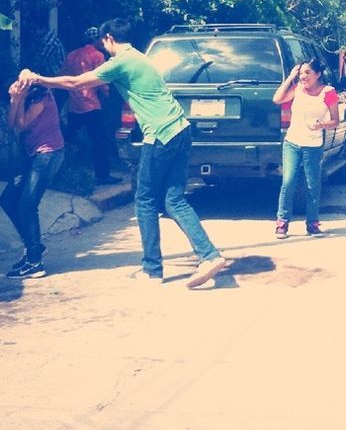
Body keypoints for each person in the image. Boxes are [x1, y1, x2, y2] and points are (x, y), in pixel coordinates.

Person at [20, 17, 228, 289]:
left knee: (144, 201)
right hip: (181, 129)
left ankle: (152, 269)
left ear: (107, 38)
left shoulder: (121, 61)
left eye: (103, 42)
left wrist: (38, 78)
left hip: (162, 133)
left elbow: (77, 83)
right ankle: (209, 255)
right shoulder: (139, 57)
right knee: (173, 199)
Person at [0, 76, 66, 278]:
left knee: (27, 205)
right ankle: (32, 247)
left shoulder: (41, 96)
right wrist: (15, 100)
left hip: (47, 155)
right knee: (8, 200)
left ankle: (35, 262)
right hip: (34, 157)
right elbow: (11, 124)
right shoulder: (25, 98)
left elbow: (20, 125)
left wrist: (18, 98)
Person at [272, 57, 340, 238]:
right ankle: (282, 223)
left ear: (318, 74)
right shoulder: (297, 89)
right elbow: (277, 99)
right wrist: (290, 77)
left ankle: (312, 224)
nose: (303, 76)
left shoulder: (328, 92)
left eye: (307, 73)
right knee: (288, 182)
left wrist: (322, 125)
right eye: (301, 73)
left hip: (313, 145)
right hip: (292, 143)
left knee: (312, 185)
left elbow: (335, 121)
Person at [62, 26, 119, 185]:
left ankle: (60, 167)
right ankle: (102, 176)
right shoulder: (97, 55)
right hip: (92, 105)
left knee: (67, 136)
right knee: (100, 140)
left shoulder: (71, 55)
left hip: (74, 105)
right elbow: (102, 80)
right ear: (95, 40)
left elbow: (62, 75)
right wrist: (106, 93)